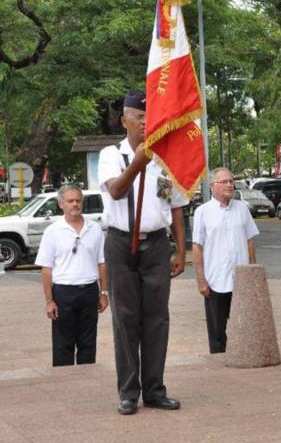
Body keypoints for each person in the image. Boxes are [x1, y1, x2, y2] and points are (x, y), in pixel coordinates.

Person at [98, 91, 188, 415]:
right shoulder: (111, 155)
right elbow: (118, 190)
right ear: (125, 121)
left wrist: (181, 250)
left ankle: (154, 389)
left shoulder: (165, 159)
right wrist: (138, 160)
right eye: (139, 117)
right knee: (126, 319)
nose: (146, 122)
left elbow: (176, 207)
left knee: (157, 318)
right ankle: (128, 393)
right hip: (121, 243)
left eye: (150, 117)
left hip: (156, 246)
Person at [36, 185, 109, 367]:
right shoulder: (52, 232)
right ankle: (62, 384)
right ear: (61, 204)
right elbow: (46, 269)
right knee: (63, 345)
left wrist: (104, 293)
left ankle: (86, 382)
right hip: (63, 293)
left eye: (78, 200)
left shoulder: (95, 229)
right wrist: (49, 301)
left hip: (89, 291)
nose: (74, 204)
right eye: (70, 201)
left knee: (88, 343)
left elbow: (103, 263)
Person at [192, 167, 259, 354]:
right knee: (217, 331)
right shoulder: (203, 212)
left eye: (232, 181)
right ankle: (219, 366)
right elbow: (197, 247)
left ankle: (245, 357)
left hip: (241, 278)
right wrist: (201, 281)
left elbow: (250, 240)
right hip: (215, 280)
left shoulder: (242, 208)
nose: (230, 185)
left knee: (244, 324)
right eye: (224, 182)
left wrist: (253, 271)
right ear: (213, 186)